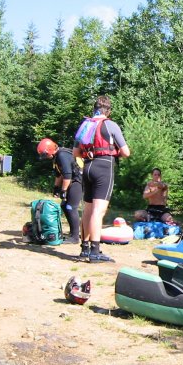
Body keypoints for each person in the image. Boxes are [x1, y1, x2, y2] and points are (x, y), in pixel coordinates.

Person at [73, 95, 130, 263]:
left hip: (88, 166)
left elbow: (75, 153)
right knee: (99, 210)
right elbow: (126, 152)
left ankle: (84, 248)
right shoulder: (110, 125)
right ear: (108, 110)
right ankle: (95, 251)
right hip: (104, 167)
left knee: (88, 209)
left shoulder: (85, 125)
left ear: (94, 109)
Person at [36, 138, 83, 244]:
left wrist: (63, 190)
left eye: (45, 154)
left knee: (71, 207)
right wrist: (56, 187)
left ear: (51, 149)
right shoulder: (57, 157)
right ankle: (73, 233)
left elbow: (67, 175)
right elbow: (59, 174)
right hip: (72, 180)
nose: (45, 157)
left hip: (78, 181)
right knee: (64, 206)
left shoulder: (62, 155)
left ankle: (75, 237)